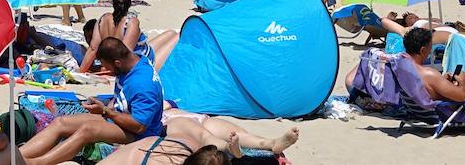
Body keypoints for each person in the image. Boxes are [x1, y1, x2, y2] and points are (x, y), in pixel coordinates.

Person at [16, 37, 163, 165]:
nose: (107, 71)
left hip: (141, 133)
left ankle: (38, 163)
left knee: (88, 130)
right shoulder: (133, 60)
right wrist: (105, 107)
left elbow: (139, 126)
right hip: (120, 118)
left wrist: (106, 111)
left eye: (108, 66)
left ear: (117, 63)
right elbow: (122, 97)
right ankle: (17, 156)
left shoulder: (143, 84)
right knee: (61, 122)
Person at [94, 113, 298, 165]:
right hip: (190, 124)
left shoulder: (145, 147)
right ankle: (265, 145)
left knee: (210, 139)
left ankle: (235, 149)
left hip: (177, 128)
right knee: (211, 137)